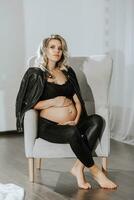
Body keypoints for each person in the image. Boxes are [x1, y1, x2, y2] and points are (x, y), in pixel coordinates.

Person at [16, 34, 117, 190]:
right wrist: (53, 102)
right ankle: (96, 172)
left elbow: (77, 100)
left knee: (97, 120)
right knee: (71, 132)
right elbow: (29, 103)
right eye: (52, 47)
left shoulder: (68, 72)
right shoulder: (35, 73)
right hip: (48, 127)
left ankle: (78, 167)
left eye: (60, 48)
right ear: (44, 49)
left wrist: (76, 119)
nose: (57, 51)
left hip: (71, 122)